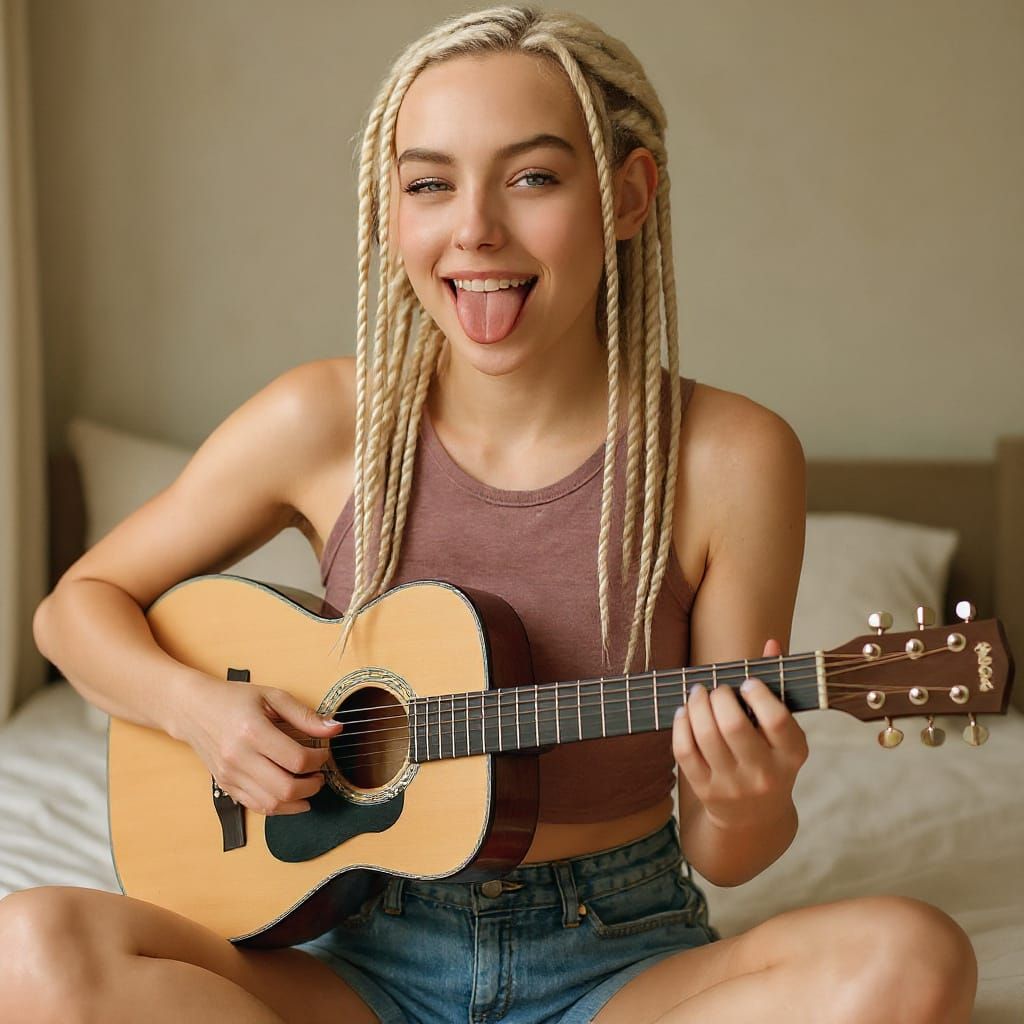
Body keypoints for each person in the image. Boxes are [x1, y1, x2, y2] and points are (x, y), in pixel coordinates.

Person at [0, 4, 977, 1022]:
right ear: (392, 211)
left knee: (911, 961)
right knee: (28, 948)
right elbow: (75, 607)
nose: (474, 229)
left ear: (628, 195)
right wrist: (201, 712)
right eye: (430, 183)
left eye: (533, 178)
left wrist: (747, 795)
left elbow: (724, 853)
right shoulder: (322, 419)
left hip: (618, 959)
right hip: (349, 954)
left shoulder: (730, 456)